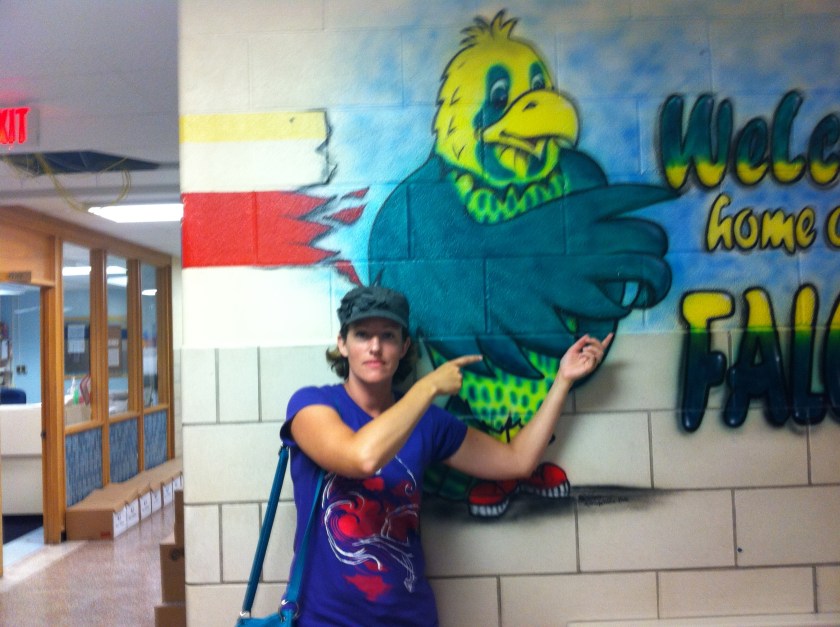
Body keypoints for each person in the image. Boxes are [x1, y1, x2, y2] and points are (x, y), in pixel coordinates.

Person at [280, 285, 612, 626]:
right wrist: (428, 386)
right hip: (324, 619)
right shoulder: (312, 405)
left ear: (404, 347)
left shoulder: (427, 421)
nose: (375, 347)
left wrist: (563, 380)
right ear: (343, 344)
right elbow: (361, 458)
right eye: (362, 335)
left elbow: (517, 461)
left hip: (409, 618)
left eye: (388, 336)